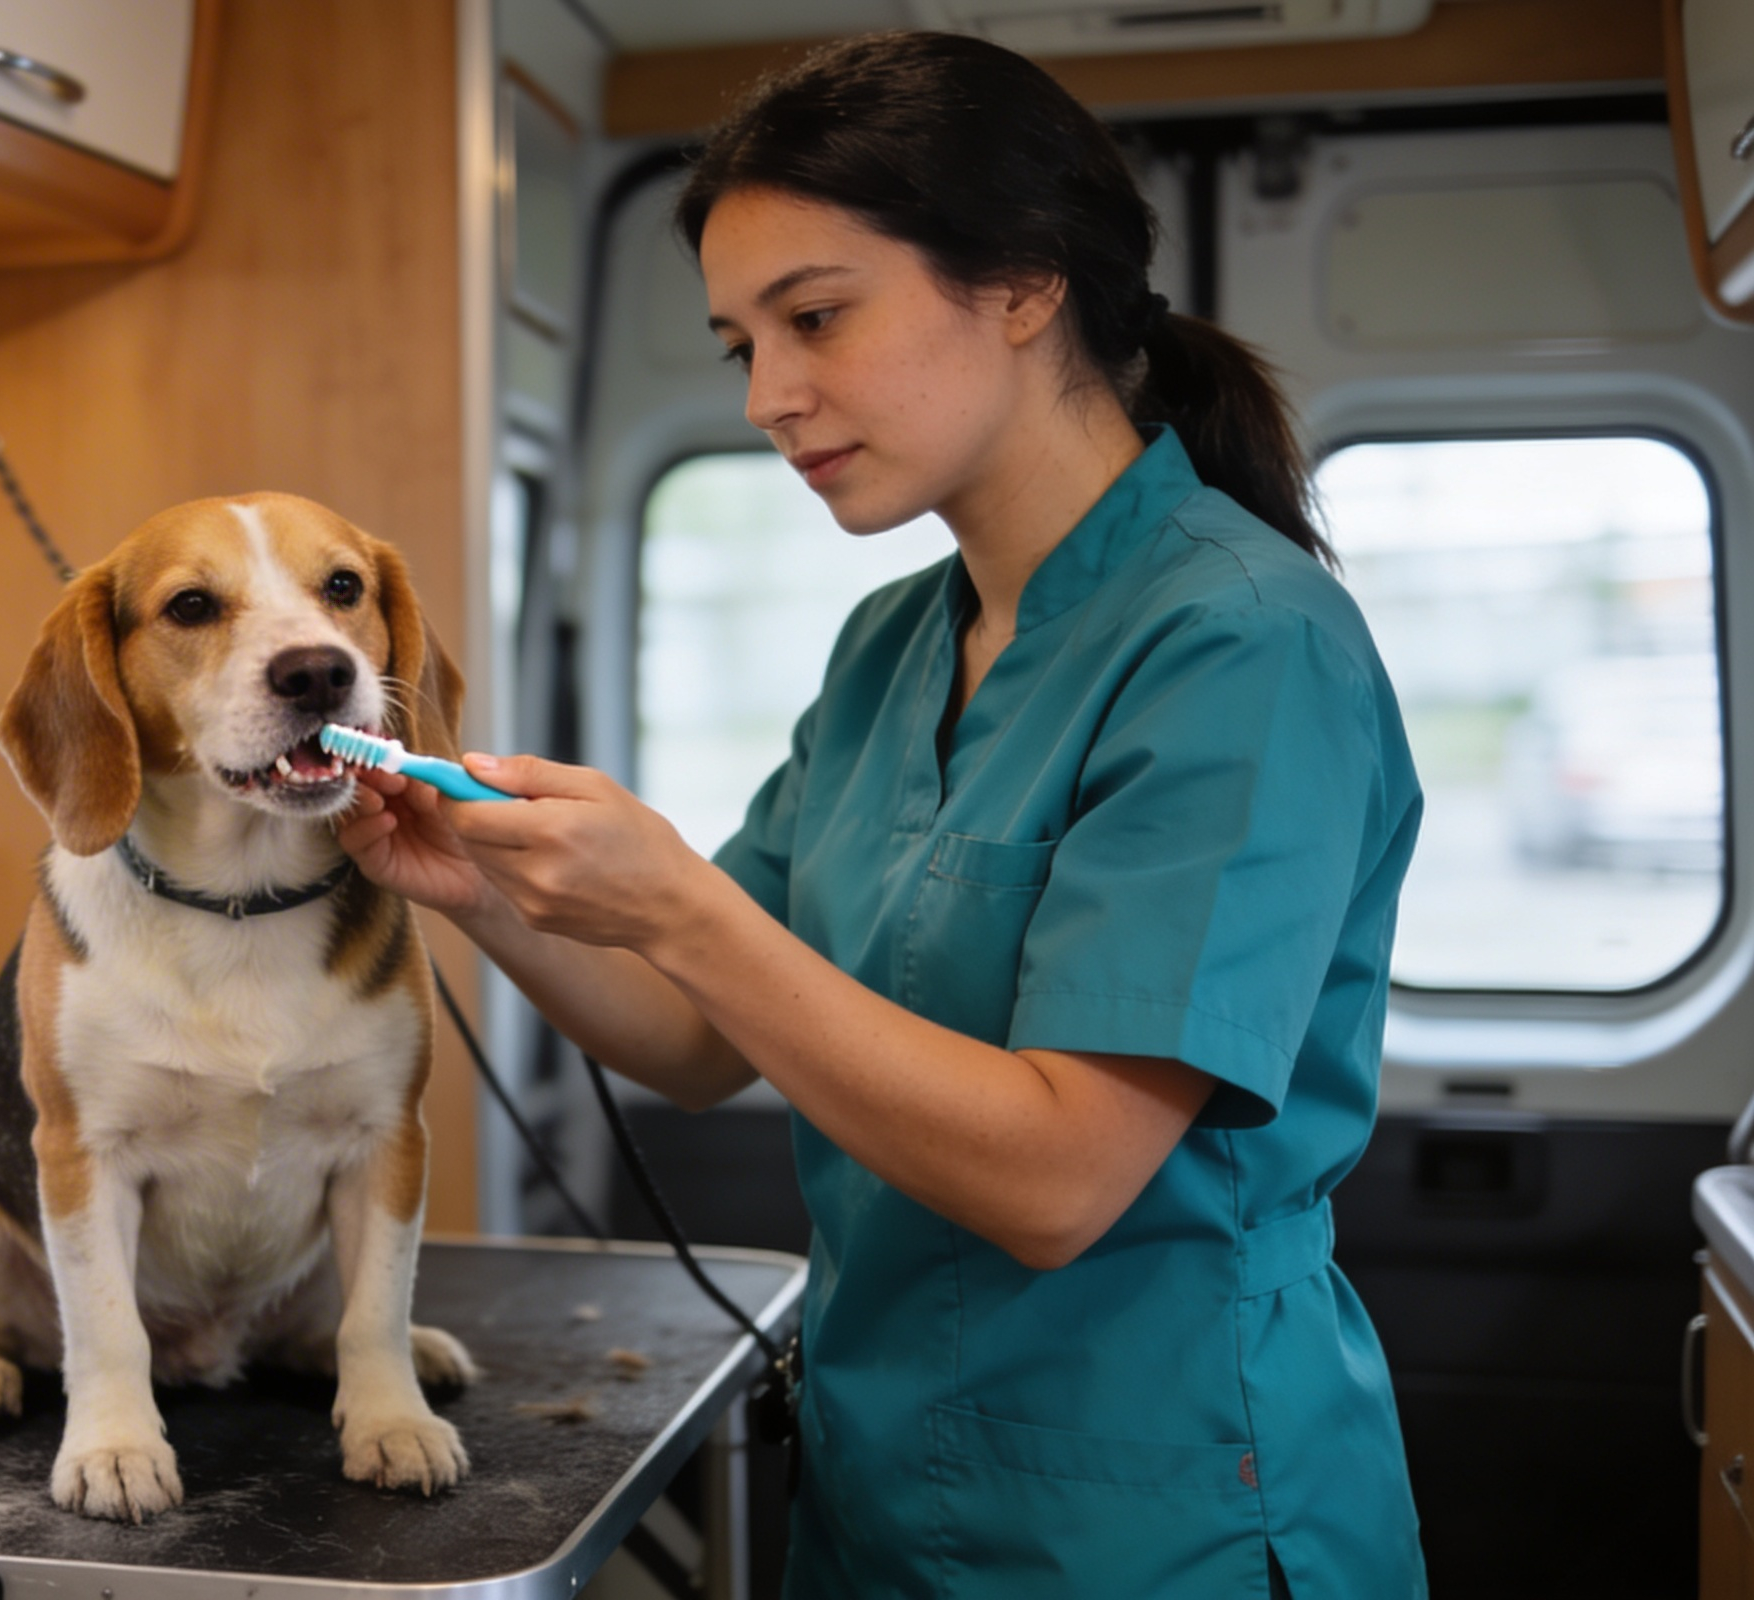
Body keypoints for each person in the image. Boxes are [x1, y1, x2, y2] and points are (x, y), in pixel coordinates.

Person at [339, 31, 1426, 1599]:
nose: (774, 396)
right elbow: (698, 1032)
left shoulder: (1241, 644)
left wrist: (677, 902)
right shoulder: (893, 644)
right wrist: (483, 889)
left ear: (1026, 282)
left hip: (1155, 1517)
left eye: (818, 318)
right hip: (882, 1496)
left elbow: (1059, 1181)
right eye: (739, 348)